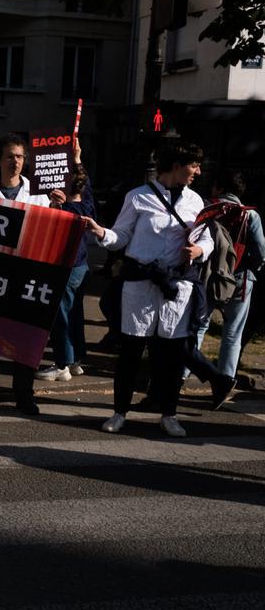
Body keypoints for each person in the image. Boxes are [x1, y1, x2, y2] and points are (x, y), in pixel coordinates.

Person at [81, 141, 214, 438]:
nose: (198, 171)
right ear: (177, 166)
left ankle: (169, 414)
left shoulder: (196, 201)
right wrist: (101, 232)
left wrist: (198, 250)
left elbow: (208, 241)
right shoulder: (138, 197)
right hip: (140, 284)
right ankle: (119, 412)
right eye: (194, 165)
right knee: (130, 351)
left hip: (175, 286)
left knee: (170, 355)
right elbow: (121, 237)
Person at [0, 133, 57, 416]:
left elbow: (50, 229)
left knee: (24, 337)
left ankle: (24, 394)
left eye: (20, 156)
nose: (15, 162)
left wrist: (58, 207)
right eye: (10, 156)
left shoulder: (38, 194)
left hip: (26, 274)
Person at [190, 170, 265, 397]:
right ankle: (224, 381)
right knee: (233, 333)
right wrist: (253, 269)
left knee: (199, 325)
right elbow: (261, 251)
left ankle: (182, 373)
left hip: (208, 275)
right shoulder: (250, 216)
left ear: (219, 188)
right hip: (240, 279)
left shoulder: (208, 210)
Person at [36, 138, 95, 381]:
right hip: (79, 266)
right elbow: (86, 185)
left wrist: (57, 206)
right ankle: (75, 359)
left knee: (59, 314)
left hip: (67, 266)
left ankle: (62, 364)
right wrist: (78, 158)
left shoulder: (71, 210)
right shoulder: (86, 201)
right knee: (74, 313)